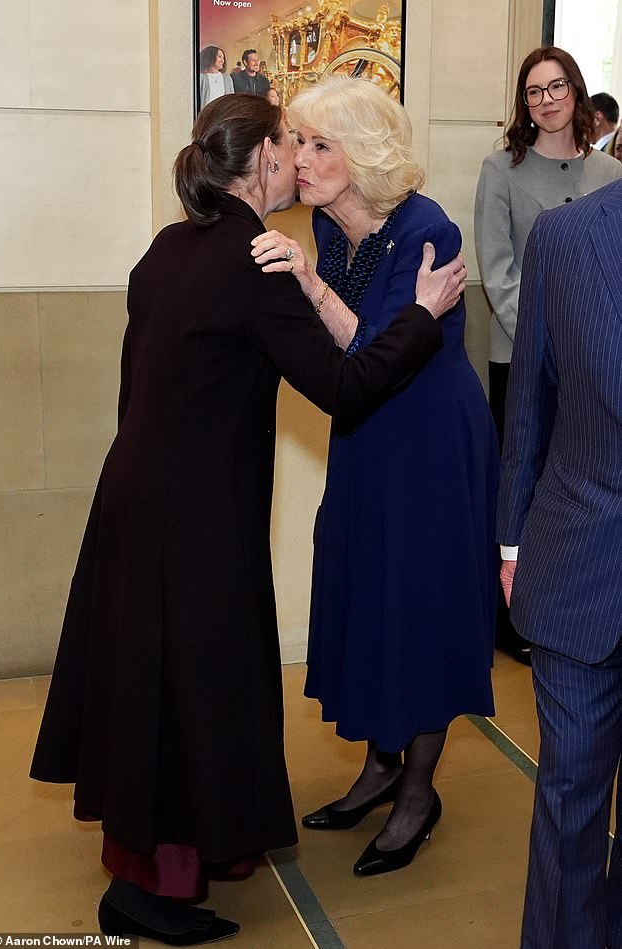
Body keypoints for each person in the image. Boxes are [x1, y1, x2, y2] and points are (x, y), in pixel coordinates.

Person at [29, 94, 466, 943]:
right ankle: (146, 890)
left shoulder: (168, 247)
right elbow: (344, 387)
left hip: (133, 497)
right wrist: (423, 317)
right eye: (289, 144)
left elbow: (141, 383)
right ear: (262, 160)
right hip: (195, 518)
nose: (299, 159)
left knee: (162, 689)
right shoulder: (252, 259)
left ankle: (182, 860)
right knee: (193, 690)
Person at [252, 77, 498, 877]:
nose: (302, 159)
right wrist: (308, 274)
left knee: (420, 604)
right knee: (368, 592)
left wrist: (306, 280)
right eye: (301, 141)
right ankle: (380, 766)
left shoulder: (430, 228)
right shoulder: (330, 223)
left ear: (362, 155)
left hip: (428, 438)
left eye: (321, 145)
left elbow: (375, 351)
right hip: (367, 433)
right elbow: (346, 361)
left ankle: (419, 791)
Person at [497, 178, 622, 949]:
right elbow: (529, 401)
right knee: (570, 792)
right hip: (579, 564)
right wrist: (511, 542)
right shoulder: (566, 238)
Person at [474, 46, 622, 665]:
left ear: (577, 92)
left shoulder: (608, 174)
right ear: (523, 104)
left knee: (585, 491)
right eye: (534, 92)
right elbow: (498, 269)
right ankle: (520, 617)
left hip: (599, 372)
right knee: (528, 484)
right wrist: (547, 343)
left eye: (557, 87)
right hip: (524, 361)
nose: (547, 100)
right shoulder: (501, 170)